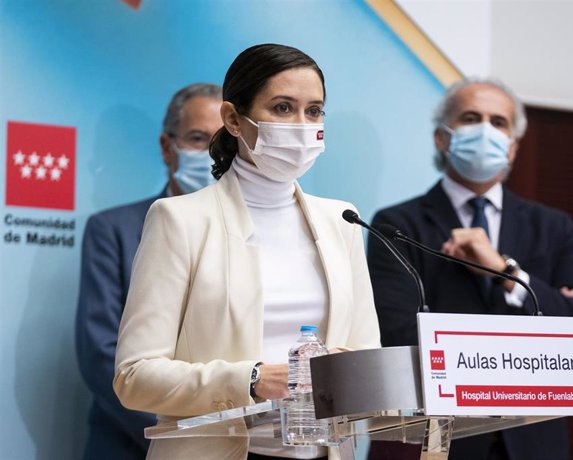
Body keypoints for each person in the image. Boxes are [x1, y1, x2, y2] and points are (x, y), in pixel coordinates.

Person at [113, 43, 381, 460]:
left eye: (314, 111)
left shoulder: (342, 220)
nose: (301, 125)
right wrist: (252, 380)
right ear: (234, 119)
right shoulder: (179, 220)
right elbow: (134, 377)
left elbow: (367, 357)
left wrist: (353, 372)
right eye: (282, 107)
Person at [367, 77, 573, 460]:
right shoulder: (397, 224)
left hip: (534, 443)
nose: (485, 130)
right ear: (442, 138)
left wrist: (506, 273)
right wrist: (541, 327)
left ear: (512, 147)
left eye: (498, 123)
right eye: (470, 117)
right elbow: (398, 335)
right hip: (435, 441)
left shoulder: (553, 227)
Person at [75, 83, 223, 460]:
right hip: (134, 444)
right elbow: (100, 355)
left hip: (233, 444)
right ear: (166, 147)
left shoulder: (256, 235)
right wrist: (180, 436)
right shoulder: (114, 230)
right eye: (196, 139)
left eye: (221, 141)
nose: (211, 155)